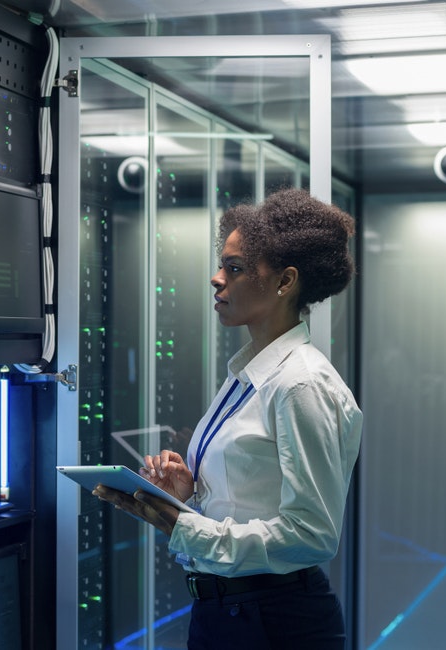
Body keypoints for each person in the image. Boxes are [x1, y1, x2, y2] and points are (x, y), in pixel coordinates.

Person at [94, 188, 363, 649]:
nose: (216, 279)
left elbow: (311, 536)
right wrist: (187, 498)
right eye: (222, 265)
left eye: (234, 269)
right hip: (225, 612)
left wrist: (184, 527)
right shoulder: (249, 373)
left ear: (285, 282)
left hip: (276, 621)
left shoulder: (300, 383)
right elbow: (246, 502)